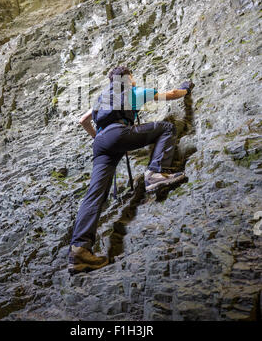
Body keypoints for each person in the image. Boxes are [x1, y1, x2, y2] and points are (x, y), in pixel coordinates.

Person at [68, 65, 194, 275]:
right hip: (118, 133)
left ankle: (79, 251)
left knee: (94, 196)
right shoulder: (132, 92)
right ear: (127, 78)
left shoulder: (101, 99)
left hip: (100, 144)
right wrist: (186, 89)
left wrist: (105, 141)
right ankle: (155, 174)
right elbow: (170, 95)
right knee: (167, 128)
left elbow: (83, 120)